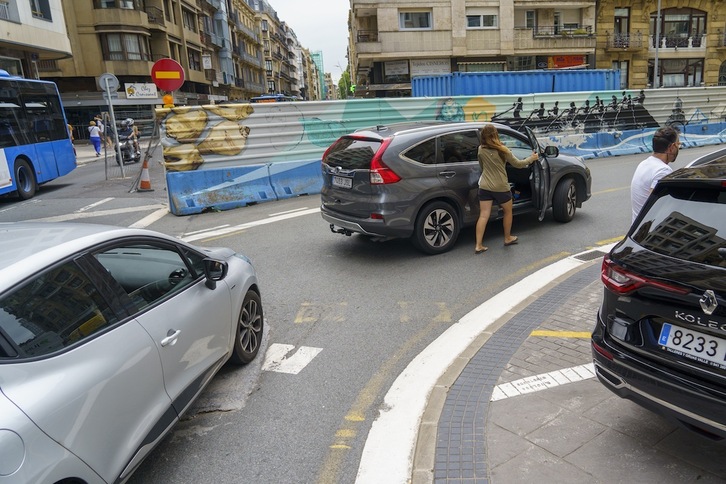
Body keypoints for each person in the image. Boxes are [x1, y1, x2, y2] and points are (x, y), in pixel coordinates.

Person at [474, 124, 538, 254]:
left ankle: (478, 245)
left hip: (485, 186)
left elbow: (482, 167)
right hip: (501, 187)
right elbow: (518, 164)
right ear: (495, 135)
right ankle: (507, 238)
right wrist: (532, 158)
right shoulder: (503, 150)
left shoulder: (481, 149)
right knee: (508, 212)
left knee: (483, 215)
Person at [630, 126, 680, 222]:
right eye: (678, 145)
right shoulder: (662, 170)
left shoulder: (644, 163)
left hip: (637, 226)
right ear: (672, 147)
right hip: (648, 231)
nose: (678, 149)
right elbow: (656, 207)